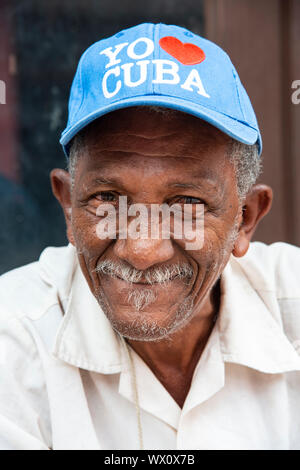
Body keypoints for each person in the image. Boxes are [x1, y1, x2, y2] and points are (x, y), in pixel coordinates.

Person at [0, 22, 300, 450]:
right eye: (107, 198)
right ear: (68, 205)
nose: (141, 250)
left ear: (245, 218)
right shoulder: (11, 343)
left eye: (187, 205)